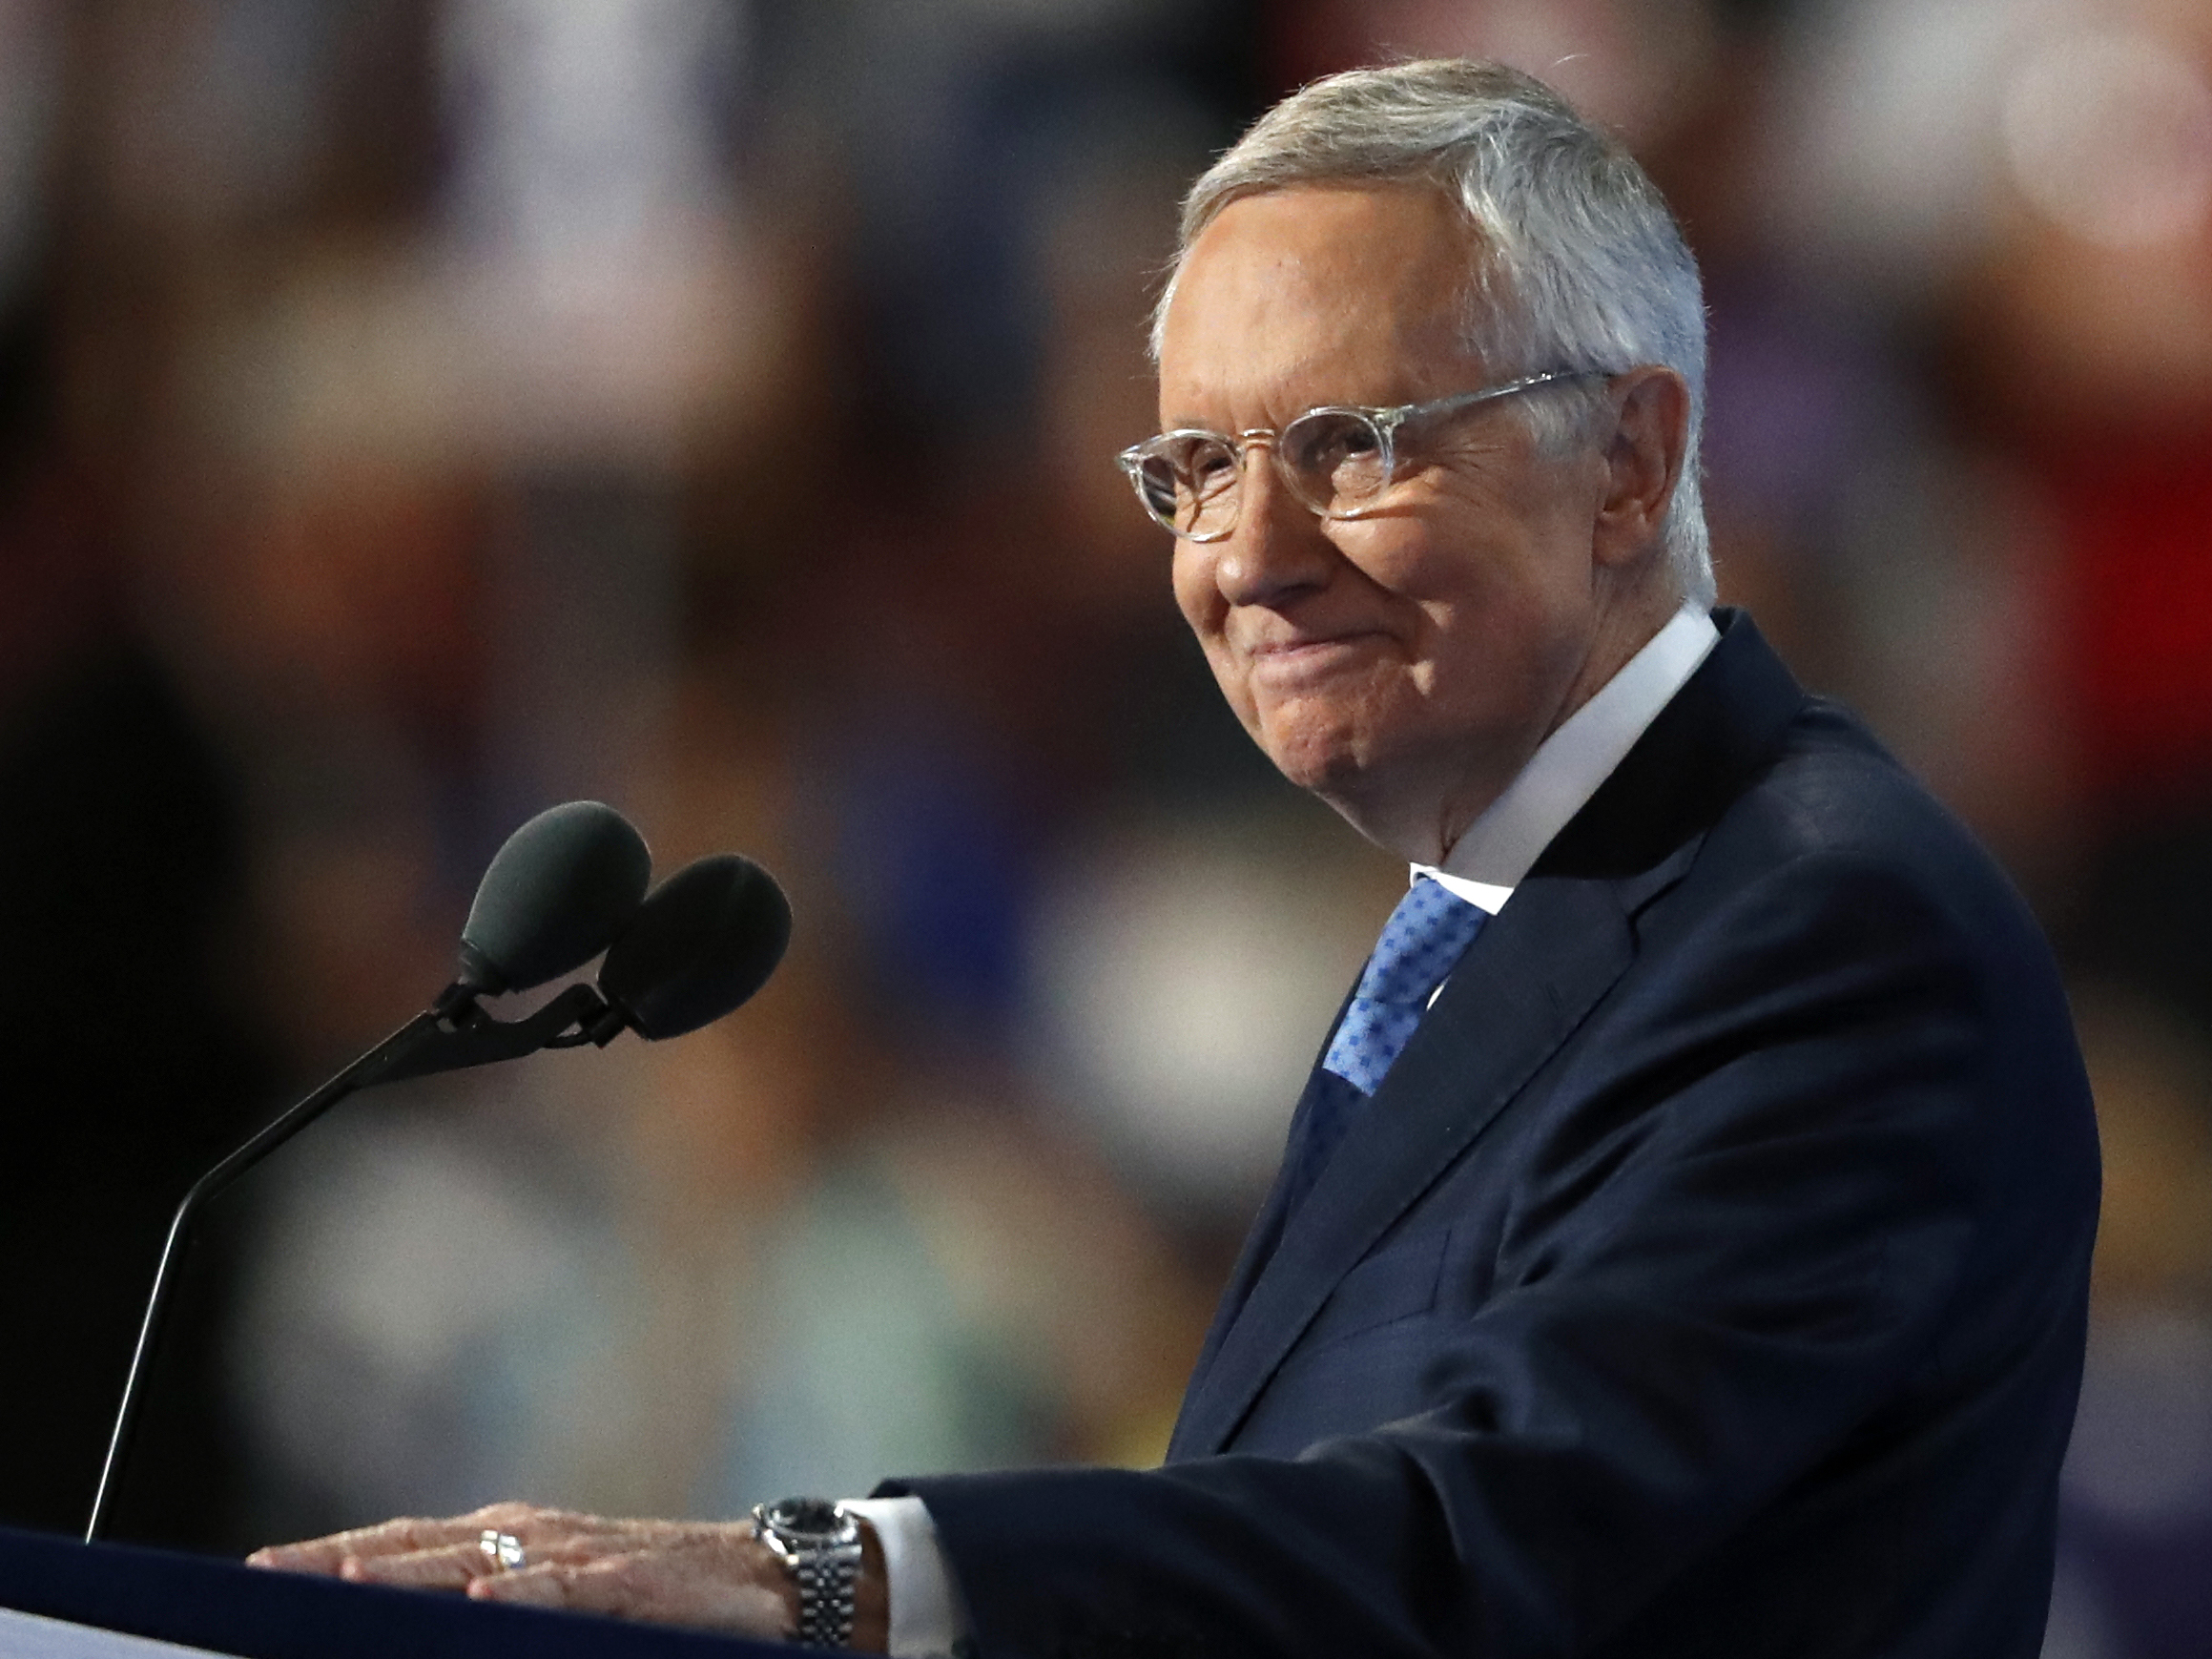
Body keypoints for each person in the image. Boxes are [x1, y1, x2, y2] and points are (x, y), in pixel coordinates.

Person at [248, 60, 2099, 1659]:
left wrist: (832, 1577)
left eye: (1344, 446)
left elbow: (1486, 1548)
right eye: (1191, 471)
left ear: (1627, 459)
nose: (1245, 553)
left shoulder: (1820, 928)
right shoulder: (1498, 922)